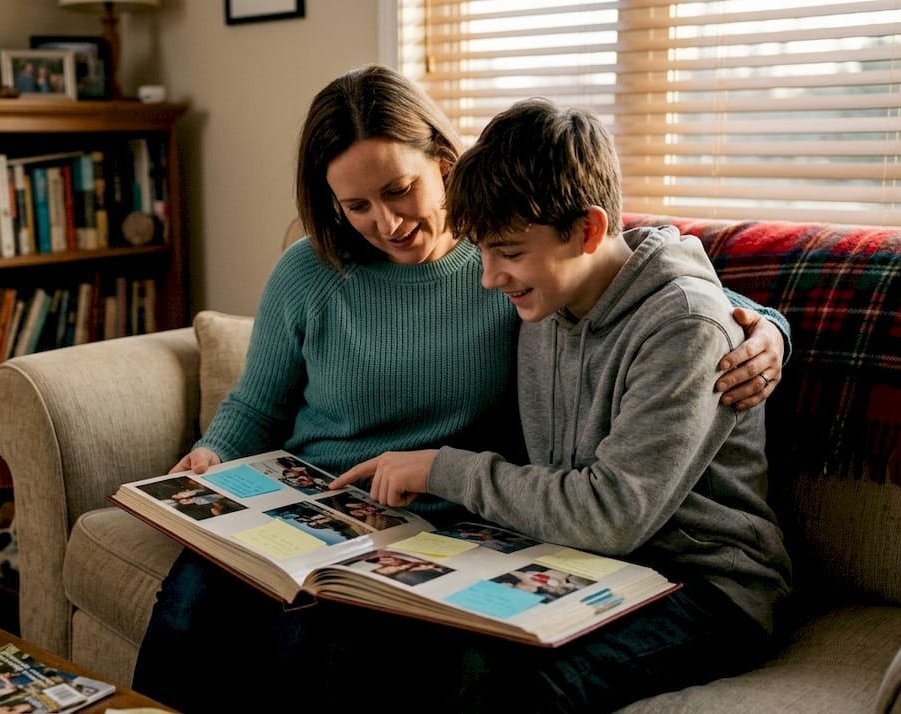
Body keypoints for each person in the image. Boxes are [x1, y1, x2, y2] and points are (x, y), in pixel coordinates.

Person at [131, 64, 789, 711]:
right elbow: (627, 276)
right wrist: (213, 455)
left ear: (442, 164)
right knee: (196, 598)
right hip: (397, 515)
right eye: (357, 206)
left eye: (399, 191)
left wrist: (767, 329)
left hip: (650, 565)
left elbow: (679, 305)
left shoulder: (533, 278)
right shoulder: (530, 287)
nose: (387, 223)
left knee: (394, 658)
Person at [330, 98, 794, 711]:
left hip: (705, 587)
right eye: (483, 251)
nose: (489, 278)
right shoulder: (547, 294)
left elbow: (611, 515)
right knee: (374, 636)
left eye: (509, 252)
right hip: (577, 562)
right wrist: (774, 324)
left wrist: (442, 468)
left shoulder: (686, 328)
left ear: (589, 231)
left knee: (501, 683)